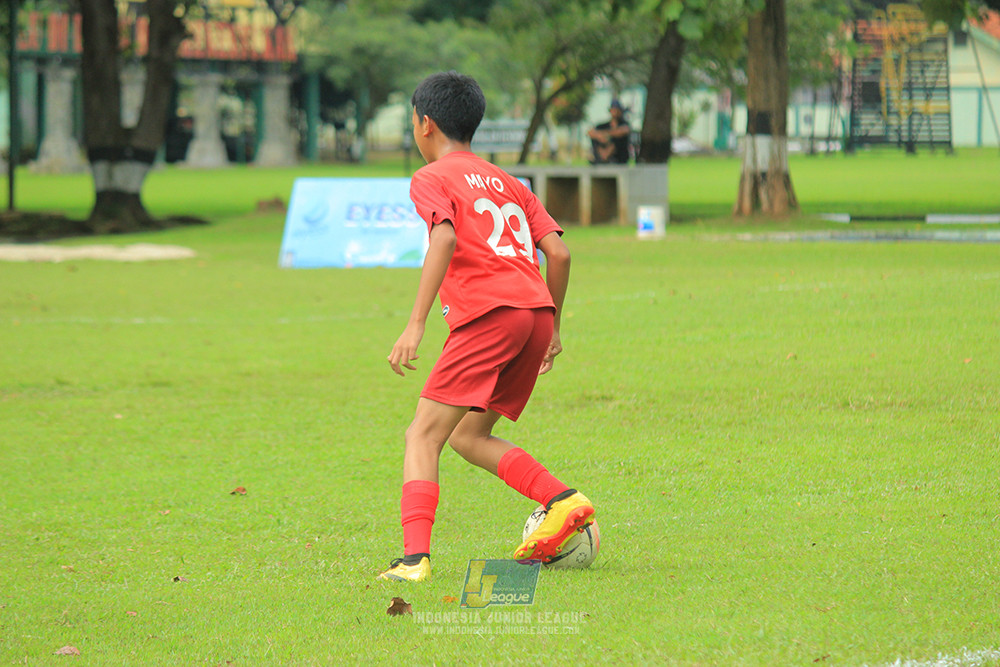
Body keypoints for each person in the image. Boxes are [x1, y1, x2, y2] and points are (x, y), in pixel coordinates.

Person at [379, 71, 596, 582]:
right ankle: (563, 500)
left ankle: (414, 561)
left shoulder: (430, 177)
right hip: (535, 315)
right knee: (468, 436)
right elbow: (559, 253)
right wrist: (555, 328)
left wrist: (415, 324)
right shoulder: (508, 182)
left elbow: (445, 240)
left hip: (489, 316)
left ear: (424, 124)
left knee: (422, 435)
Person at [587, 99, 632, 164]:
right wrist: (600, 136)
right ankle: (602, 157)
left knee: (617, 139)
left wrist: (606, 134)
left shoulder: (623, 124)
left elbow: (623, 131)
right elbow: (590, 132)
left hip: (619, 159)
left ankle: (607, 156)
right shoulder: (602, 126)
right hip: (602, 152)